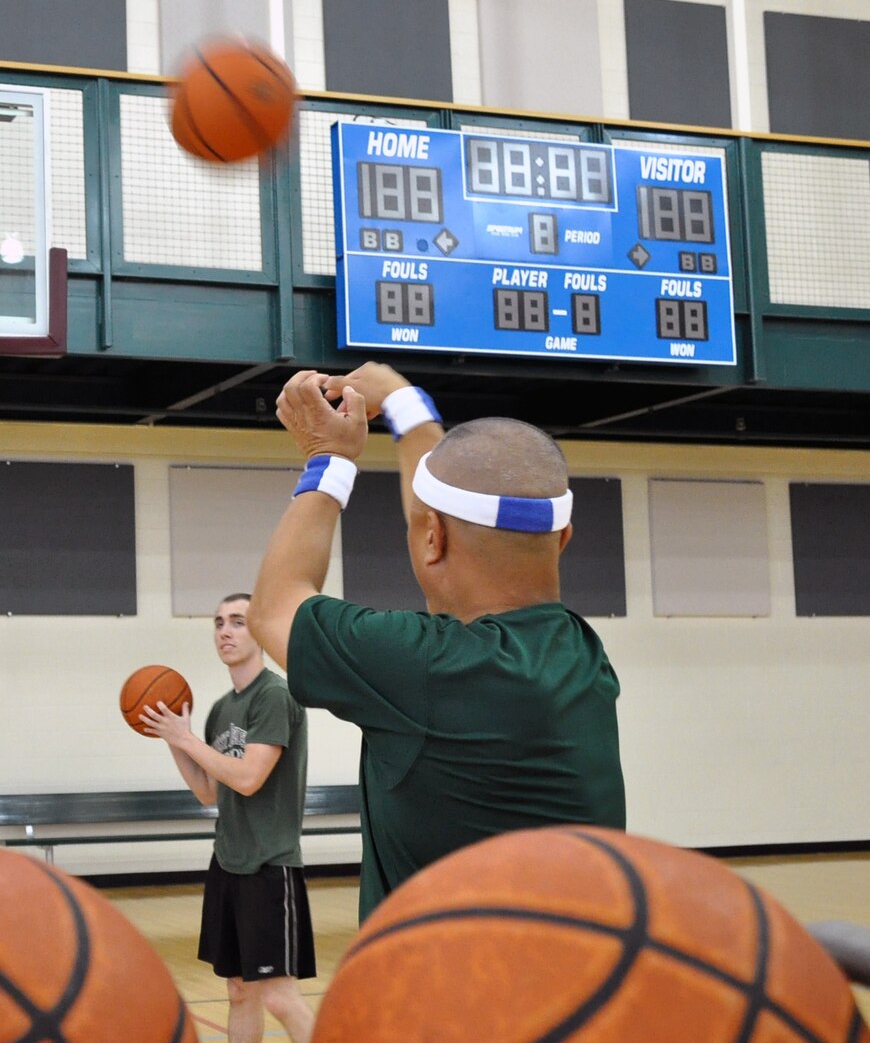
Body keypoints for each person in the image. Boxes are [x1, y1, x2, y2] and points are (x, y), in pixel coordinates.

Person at [247, 362, 627, 930]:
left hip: (444, 1004)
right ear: (564, 538)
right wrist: (403, 404)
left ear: (432, 538)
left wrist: (328, 460)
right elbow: (437, 527)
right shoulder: (579, 651)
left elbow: (274, 608)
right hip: (577, 991)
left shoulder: (423, 666)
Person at [139, 593, 317, 1043]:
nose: (225, 631)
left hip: (271, 866)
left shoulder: (276, 696)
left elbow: (247, 776)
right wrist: (176, 739)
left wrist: (189, 741)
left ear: (259, 633)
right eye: (217, 623)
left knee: (281, 995)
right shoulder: (220, 710)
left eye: (237, 621)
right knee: (240, 989)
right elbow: (209, 792)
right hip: (230, 864)